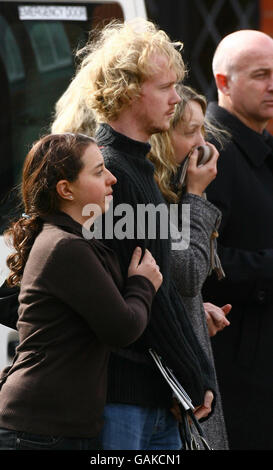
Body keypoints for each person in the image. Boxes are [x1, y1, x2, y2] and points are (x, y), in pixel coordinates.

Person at [56, 18, 219, 451]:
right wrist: (194, 374)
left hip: (148, 396)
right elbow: (145, 292)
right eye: (165, 87)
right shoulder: (113, 171)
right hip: (122, 399)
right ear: (130, 92)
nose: (176, 99)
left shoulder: (138, 167)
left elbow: (157, 284)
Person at [0, 133, 162, 450]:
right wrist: (144, 284)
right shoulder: (64, 245)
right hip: (39, 432)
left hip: (51, 429)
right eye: (99, 171)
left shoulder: (71, 240)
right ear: (65, 189)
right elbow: (123, 327)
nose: (112, 178)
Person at [148, 84, 230, 450]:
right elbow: (186, 273)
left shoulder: (175, 186)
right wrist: (195, 197)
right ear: (162, 138)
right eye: (190, 131)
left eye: (203, 131)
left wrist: (199, 307)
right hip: (165, 390)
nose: (202, 145)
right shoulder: (154, 195)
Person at [202, 30, 273, 450]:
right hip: (234, 366)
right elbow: (195, 257)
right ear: (224, 82)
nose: (272, 85)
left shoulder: (263, 147)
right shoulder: (210, 152)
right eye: (262, 75)